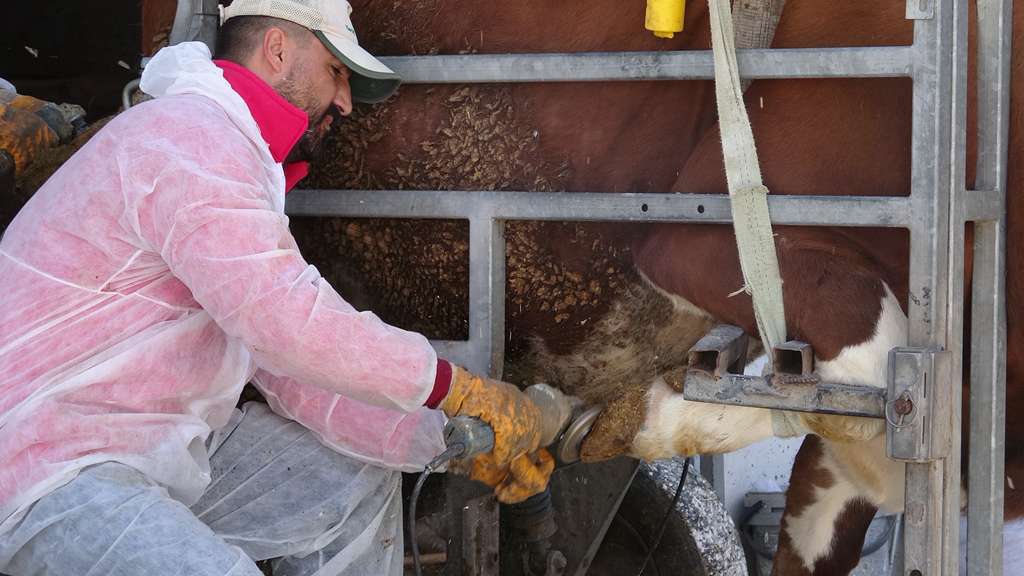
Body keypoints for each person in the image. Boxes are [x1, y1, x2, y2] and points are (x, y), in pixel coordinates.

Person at [0, 1, 554, 574]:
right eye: (337, 72)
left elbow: (292, 373)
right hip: (47, 472)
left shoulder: (228, 155)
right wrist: (454, 389)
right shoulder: (189, 138)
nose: (344, 101)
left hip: (146, 452)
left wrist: (447, 443)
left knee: (349, 474)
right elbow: (285, 323)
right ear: (278, 49)